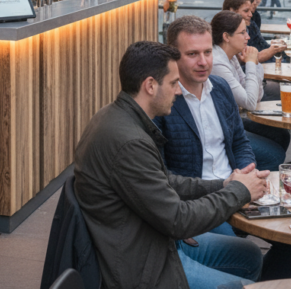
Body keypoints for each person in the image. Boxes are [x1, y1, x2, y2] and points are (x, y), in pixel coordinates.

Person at [74, 40, 270, 289]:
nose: (178, 91)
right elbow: (179, 220)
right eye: (173, 83)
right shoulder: (129, 142)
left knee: (249, 255)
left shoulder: (116, 116)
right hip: (145, 266)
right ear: (150, 86)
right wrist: (240, 191)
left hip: (151, 239)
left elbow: (164, 180)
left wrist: (224, 184)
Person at [155, 17, 291, 283]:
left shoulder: (220, 88)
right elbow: (163, 174)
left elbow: (239, 142)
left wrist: (246, 171)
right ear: (173, 57)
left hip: (240, 187)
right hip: (201, 201)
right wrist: (227, 186)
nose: (203, 62)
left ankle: (263, 284)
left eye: (208, 52)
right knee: (242, 253)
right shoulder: (164, 101)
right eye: (192, 54)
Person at [209, 11, 291, 173]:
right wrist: (253, 63)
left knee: (281, 134)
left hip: (234, 118)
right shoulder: (218, 63)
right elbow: (250, 103)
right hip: (221, 128)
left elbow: (255, 96)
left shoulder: (231, 56)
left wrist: (255, 64)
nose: (248, 36)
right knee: (274, 155)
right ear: (226, 36)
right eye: (242, 32)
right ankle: (256, 187)